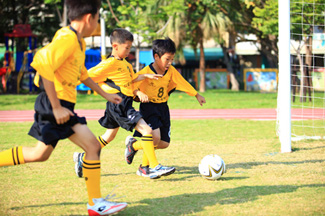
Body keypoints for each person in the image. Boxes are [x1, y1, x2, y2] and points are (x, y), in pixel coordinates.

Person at [0, 1, 128, 215]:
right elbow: (43, 65)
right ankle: (95, 203)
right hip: (54, 104)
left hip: (62, 105)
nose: (96, 25)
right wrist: (57, 107)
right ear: (89, 18)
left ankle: (95, 203)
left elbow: (83, 75)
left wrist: (105, 93)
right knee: (92, 147)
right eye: (97, 20)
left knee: (40, 154)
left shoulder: (79, 43)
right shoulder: (67, 38)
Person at [73, 28, 176, 180]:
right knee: (147, 130)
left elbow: (128, 82)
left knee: (109, 137)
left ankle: (83, 158)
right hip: (120, 104)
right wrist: (104, 89)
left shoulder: (126, 64)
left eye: (130, 47)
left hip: (120, 103)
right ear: (115, 46)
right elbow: (87, 76)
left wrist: (143, 78)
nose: (129, 50)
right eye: (126, 48)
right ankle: (152, 167)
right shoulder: (109, 63)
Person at [132, 38, 206, 178]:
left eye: (172, 59)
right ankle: (145, 167)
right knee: (154, 137)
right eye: (167, 59)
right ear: (156, 57)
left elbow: (181, 82)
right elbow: (131, 86)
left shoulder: (171, 71)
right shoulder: (145, 72)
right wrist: (139, 92)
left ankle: (134, 146)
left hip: (163, 108)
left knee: (164, 143)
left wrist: (196, 94)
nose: (170, 62)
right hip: (149, 107)